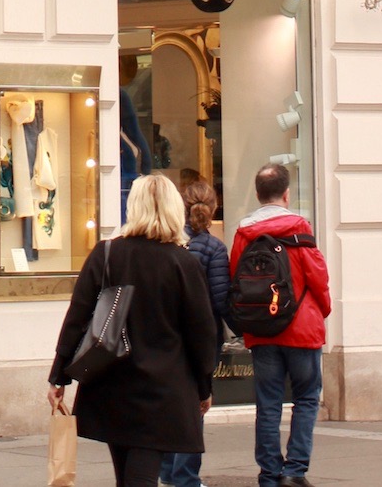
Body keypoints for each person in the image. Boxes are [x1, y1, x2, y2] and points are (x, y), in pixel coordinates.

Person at [48, 172, 217, 487]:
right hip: (163, 389)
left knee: (127, 475)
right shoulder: (183, 262)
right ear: (173, 209)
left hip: (112, 382)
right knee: (140, 476)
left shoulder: (107, 253)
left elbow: (78, 317)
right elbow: (201, 332)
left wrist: (59, 375)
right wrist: (204, 386)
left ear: (133, 207)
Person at [228, 164, 331, 487]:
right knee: (306, 398)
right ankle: (294, 470)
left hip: (262, 330)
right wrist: (321, 312)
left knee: (268, 402)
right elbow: (319, 279)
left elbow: (236, 280)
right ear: (286, 194)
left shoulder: (244, 233)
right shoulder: (299, 228)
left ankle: (269, 474)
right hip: (301, 329)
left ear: (258, 194)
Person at [161, 178, 230, 487]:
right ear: (212, 208)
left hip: (169, 333)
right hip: (203, 335)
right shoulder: (215, 248)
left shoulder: (169, 243)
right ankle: (185, 476)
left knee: (169, 404)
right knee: (197, 405)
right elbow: (219, 300)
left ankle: (166, 470)